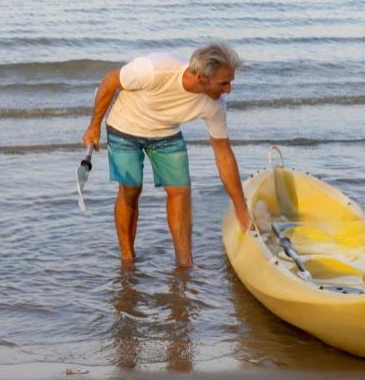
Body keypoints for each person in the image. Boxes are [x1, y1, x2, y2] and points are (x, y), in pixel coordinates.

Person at [82, 41, 252, 268]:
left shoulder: (215, 106)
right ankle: (127, 258)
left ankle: (185, 264)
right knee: (131, 189)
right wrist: (94, 126)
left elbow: (223, 155)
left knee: (180, 191)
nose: (228, 90)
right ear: (201, 78)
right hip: (125, 125)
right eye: (224, 83)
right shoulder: (156, 68)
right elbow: (111, 80)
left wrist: (241, 209)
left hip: (166, 133)